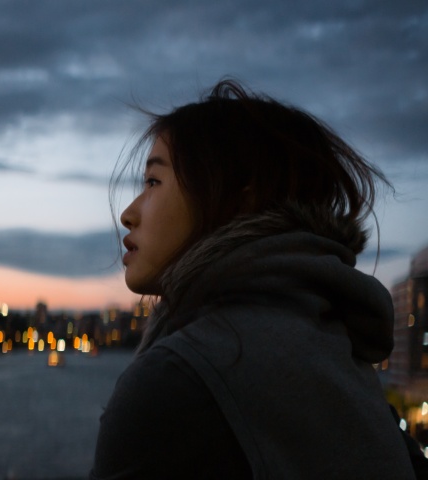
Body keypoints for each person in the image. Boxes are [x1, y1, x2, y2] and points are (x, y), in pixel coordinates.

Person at [90, 79, 426, 479]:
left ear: (241, 199)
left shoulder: (181, 379)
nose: (128, 213)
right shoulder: (341, 362)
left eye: (153, 182)